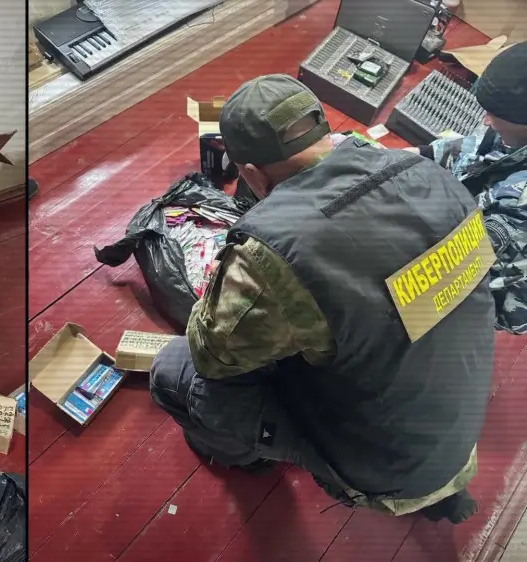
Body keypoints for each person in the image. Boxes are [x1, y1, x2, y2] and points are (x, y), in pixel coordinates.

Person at [150, 75, 495, 524]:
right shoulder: (433, 176)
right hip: (459, 428)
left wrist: (230, 277)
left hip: (382, 467)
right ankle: (440, 492)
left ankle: (245, 457)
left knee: (175, 370)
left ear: (251, 174)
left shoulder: (275, 253)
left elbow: (211, 354)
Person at [406, 42, 527, 334]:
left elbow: (446, 273)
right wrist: (412, 156)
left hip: (488, 291)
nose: (486, 120)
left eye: (495, 115)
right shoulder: (513, 129)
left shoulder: (518, 208)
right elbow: (475, 151)